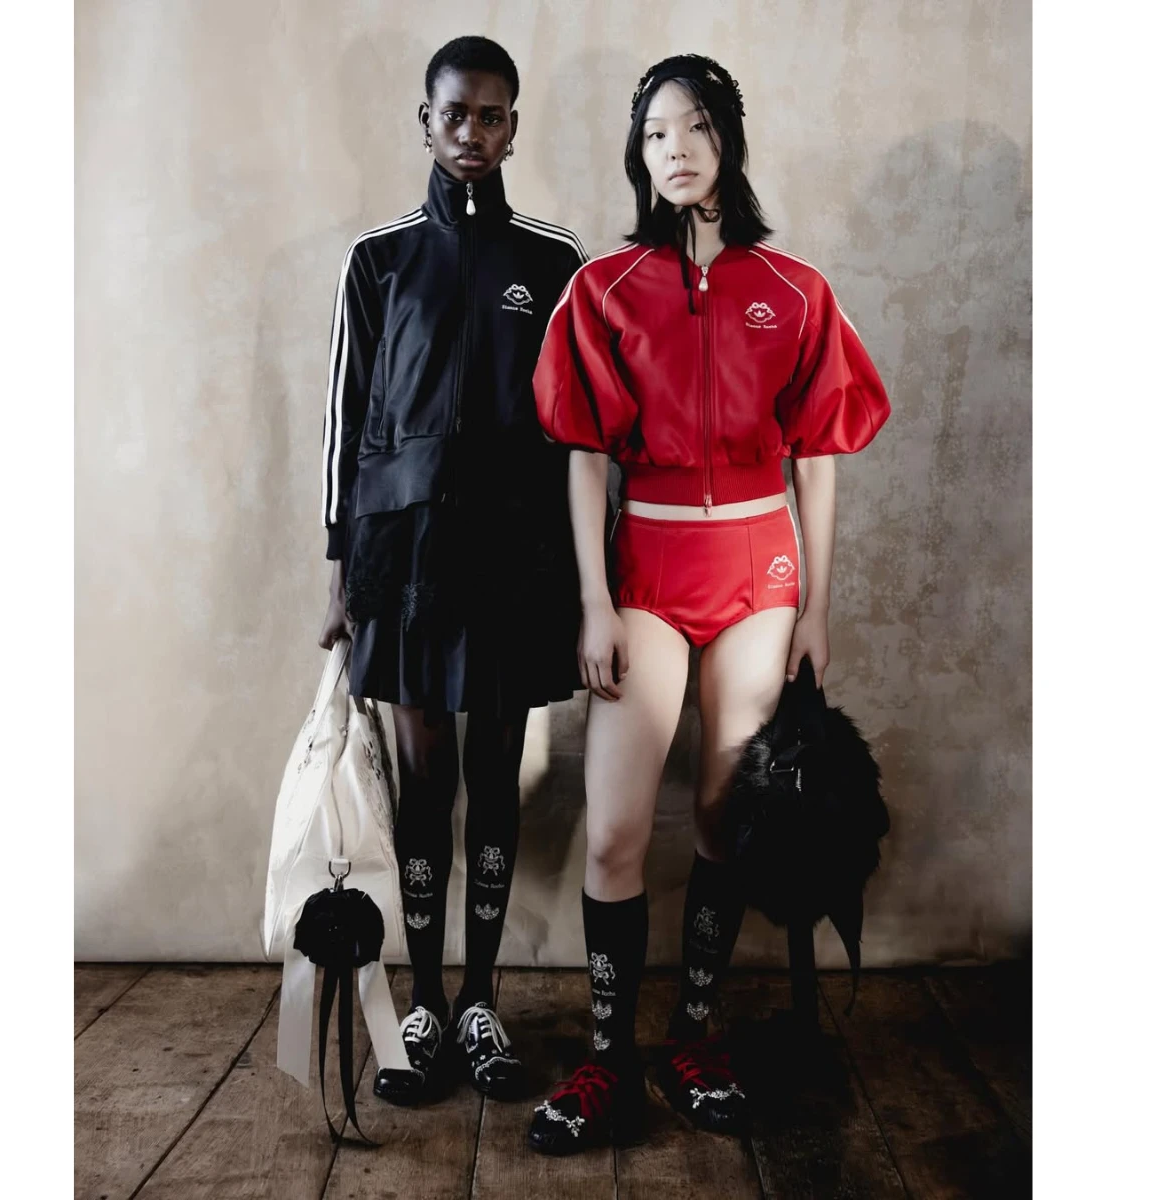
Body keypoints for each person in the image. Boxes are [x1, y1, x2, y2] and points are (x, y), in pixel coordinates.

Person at [526, 53, 891, 1154]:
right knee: (616, 830)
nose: (674, 149)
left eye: (693, 127)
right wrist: (594, 601)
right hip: (646, 569)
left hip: (759, 575)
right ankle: (608, 1054)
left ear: (728, 138)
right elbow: (585, 453)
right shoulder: (603, 287)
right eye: (654, 133)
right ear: (636, 154)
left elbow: (817, 456)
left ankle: (695, 1032)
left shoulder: (796, 290)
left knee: (730, 820)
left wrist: (815, 608)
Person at [317, 35, 586, 1106]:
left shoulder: (553, 260)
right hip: (407, 552)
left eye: (492, 116)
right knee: (424, 777)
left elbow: (579, 433)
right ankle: (425, 1000)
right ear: (423, 122)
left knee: (496, 775)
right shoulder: (379, 259)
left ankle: (481, 1001)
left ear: (514, 128)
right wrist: (340, 566)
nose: (472, 132)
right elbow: (344, 421)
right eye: (455, 114)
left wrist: (589, 579)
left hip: (517, 554)